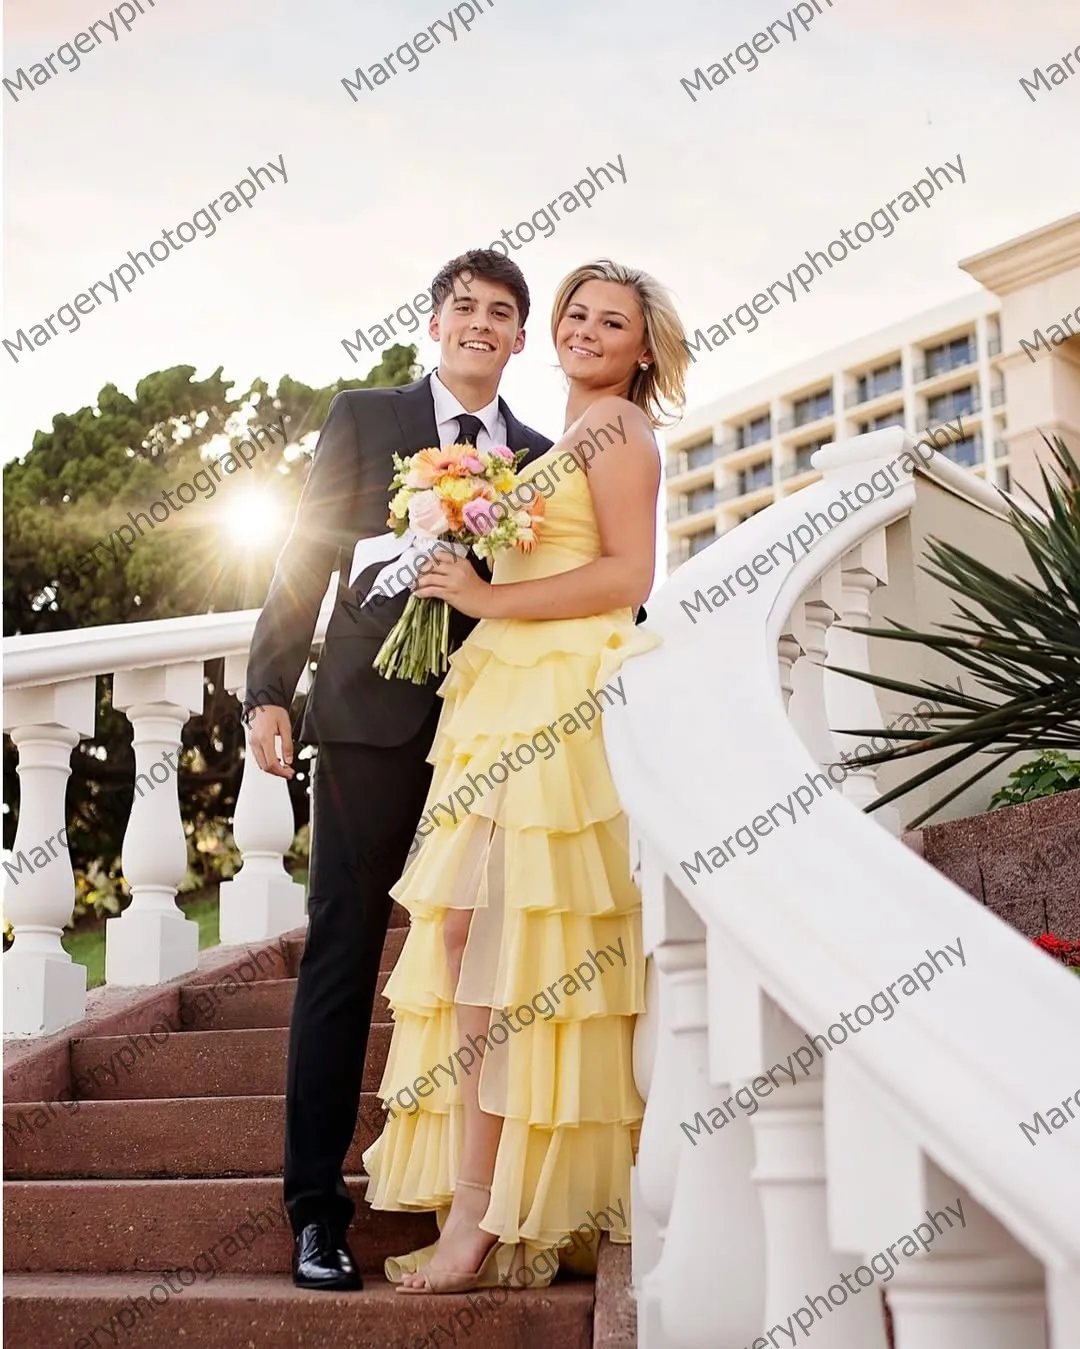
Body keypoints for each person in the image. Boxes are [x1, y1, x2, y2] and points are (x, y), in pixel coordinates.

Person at [362, 259, 689, 1293]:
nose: (589, 330)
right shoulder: (547, 444)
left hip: (558, 688)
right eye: (578, 314)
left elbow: (631, 575)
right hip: (506, 689)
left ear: (645, 349)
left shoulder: (620, 430)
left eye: (614, 321)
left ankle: (481, 1217)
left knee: (499, 942)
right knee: (472, 939)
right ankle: (492, 1196)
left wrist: (490, 601)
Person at [244, 249, 552, 1290]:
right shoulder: (368, 417)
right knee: (345, 948)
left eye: (500, 312)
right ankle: (316, 1211)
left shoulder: (546, 455)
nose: (480, 323)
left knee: (491, 966)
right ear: (435, 323)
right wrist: (270, 686)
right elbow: (308, 549)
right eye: (463, 306)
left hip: (494, 731)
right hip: (370, 720)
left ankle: (486, 1199)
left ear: (519, 338)